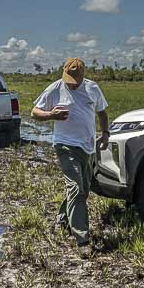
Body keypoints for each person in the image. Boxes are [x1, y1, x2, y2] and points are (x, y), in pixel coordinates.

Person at [32, 58, 109, 256]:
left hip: (88, 147)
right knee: (75, 187)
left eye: (75, 80)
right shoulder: (55, 88)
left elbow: (102, 112)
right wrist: (51, 115)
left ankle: (63, 218)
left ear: (83, 76)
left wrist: (106, 133)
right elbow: (34, 112)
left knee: (82, 188)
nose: (71, 84)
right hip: (65, 145)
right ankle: (82, 239)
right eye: (68, 79)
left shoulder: (92, 88)